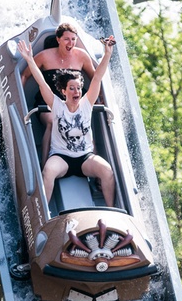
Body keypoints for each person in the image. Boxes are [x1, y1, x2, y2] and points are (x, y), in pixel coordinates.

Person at [18, 35, 117, 207]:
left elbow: (97, 77)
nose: (76, 91)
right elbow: (42, 83)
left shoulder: (87, 103)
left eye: (78, 88)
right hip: (61, 157)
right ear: (64, 91)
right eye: (72, 88)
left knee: (107, 171)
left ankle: (112, 210)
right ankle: (44, 215)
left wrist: (107, 53)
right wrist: (28, 59)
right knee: (48, 171)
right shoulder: (57, 105)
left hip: (85, 158)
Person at [21, 23, 96, 164]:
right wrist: (18, 99)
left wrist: (101, 98)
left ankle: (92, 159)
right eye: (67, 39)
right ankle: (44, 163)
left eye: (73, 39)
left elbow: (95, 77)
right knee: (52, 121)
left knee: (84, 122)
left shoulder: (82, 56)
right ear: (58, 39)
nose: (71, 43)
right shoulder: (44, 56)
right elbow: (24, 75)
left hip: (74, 102)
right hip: (49, 101)